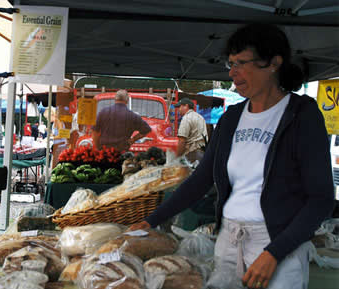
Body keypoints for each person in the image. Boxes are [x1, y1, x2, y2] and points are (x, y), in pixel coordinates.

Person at [129, 23, 335, 289]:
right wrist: (152, 220)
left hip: (277, 244)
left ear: (273, 63)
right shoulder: (232, 118)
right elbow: (201, 179)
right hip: (229, 240)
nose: (232, 72)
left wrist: (275, 252)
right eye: (230, 63)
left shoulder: (302, 116)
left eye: (241, 63)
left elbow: (321, 199)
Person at [173, 97, 208, 163]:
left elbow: (182, 141)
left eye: (179, 107)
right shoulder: (200, 117)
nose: (178, 110)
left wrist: (176, 159)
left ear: (186, 106)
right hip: (202, 154)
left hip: (191, 155)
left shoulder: (186, 118)